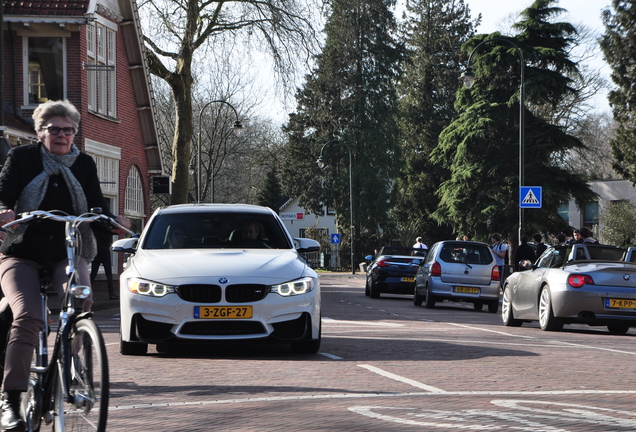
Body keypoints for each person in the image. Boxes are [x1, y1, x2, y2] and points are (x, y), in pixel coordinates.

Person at [0, 100, 130, 431]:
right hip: (21, 252)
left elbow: (97, 205)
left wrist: (111, 221)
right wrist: (4, 211)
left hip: (66, 252)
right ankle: (10, 401)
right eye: (54, 129)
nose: (62, 135)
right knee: (29, 315)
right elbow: (3, 194)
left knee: (81, 299)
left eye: (68, 130)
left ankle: (69, 362)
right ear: (40, 132)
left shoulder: (83, 163)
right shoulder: (22, 158)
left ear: (74, 133)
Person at [90, 229, 117, 299]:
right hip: (105, 254)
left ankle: (89, 293)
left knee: (93, 274)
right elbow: (110, 242)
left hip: (96, 254)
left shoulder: (95, 230)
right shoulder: (107, 231)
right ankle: (111, 293)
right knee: (109, 275)